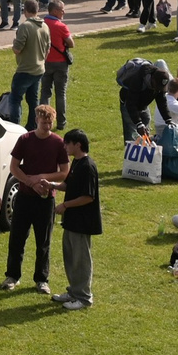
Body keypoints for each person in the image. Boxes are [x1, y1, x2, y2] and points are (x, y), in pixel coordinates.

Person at [4, 105, 67, 294]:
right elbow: (14, 167)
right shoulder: (25, 139)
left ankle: (41, 279)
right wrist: (30, 182)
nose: (47, 126)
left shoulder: (58, 142)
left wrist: (42, 178)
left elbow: (64, 172)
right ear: (36, 120)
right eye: (44, 122)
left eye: (50, 122)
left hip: (46, 199)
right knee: (17, 238)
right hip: (24, 197)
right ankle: (12, 276)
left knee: (44, 240)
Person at [54, 131, 100, 310]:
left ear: (78, 145)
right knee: (71, 257)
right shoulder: (77, 162)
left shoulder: (88, 166)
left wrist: (65, 206)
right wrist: (52, 185)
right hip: (72, 221)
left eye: (67, 143)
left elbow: (88, 197)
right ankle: (74, 291)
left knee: (81, 260)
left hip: (83, 222)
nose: (65, 147)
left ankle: (84, 297)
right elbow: (69, 186)